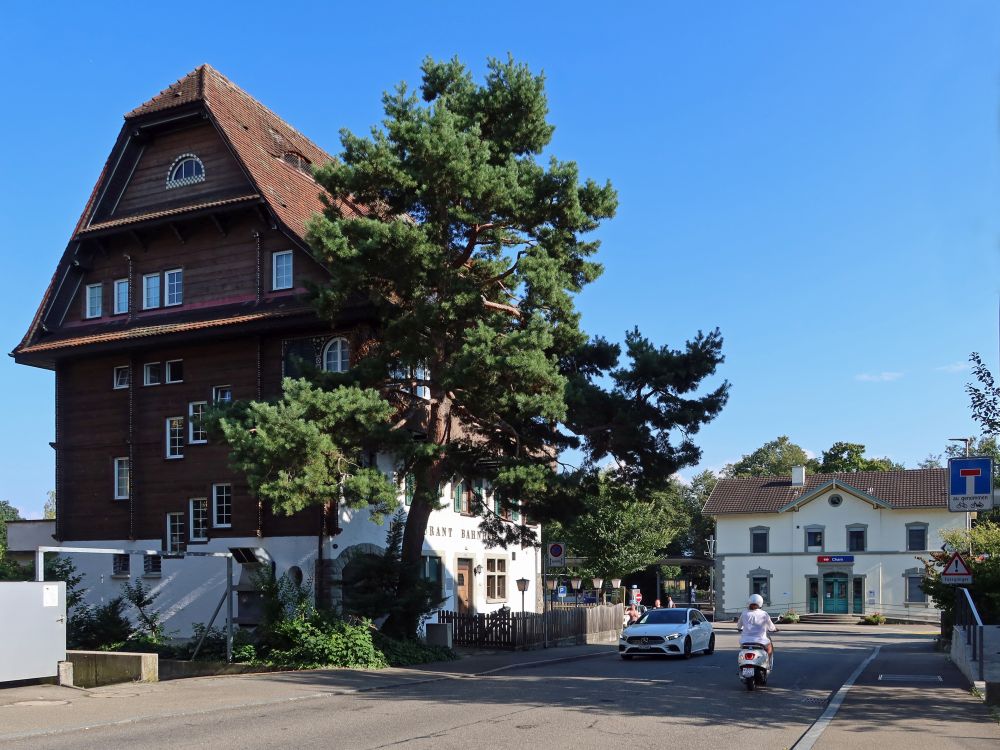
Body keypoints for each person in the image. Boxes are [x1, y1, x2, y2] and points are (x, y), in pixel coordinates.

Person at [738, 594, 778, 659]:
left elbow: (739, 626)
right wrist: (775, 629)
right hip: (760, 641)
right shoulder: (764, 614)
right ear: (760, 604)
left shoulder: (744, 613)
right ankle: (768, 662)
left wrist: (740, 628)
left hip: (745, 641)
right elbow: (771, 627)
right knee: (769, 646)